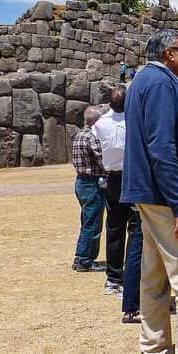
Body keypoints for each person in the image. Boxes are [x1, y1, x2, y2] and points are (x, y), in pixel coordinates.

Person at [121, 29, 178, 354]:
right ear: (168, 54)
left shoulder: (142, 82)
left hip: (148, 193)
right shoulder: (161, 83)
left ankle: (155, 345)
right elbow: (162, 147)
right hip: (165, 196)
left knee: (155, 275)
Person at [92, 84, 143, 324]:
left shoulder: (100, 123)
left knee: (114, 228)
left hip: (112, 177)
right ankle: (132, 278)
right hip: (131, 176)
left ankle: (113, 277)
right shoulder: (135, 121)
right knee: (135, 228)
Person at [71, 105, 108, 273]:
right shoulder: (92, 137)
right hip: (93, 183)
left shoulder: (79, 135)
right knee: (93, 223)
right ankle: (85, 261)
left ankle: (81, 257)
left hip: (81, 182)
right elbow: (103, 161)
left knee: (87, 221)